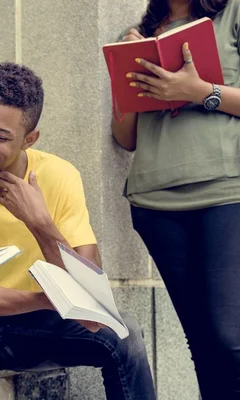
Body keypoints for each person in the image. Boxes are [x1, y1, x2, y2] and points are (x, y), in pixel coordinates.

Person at [0, 62, 156, 400]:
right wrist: (46, 300)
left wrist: (40, 223)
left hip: (41, 325)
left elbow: (90, 290)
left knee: (126, 332)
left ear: (30, 139)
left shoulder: (60, 176)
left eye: (0, 137)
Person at [111, 0, 240, 397]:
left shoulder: (232, 13)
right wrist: (128, 76)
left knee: (230, 336)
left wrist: (199, 91)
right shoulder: (135, 37)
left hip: (227, 193)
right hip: (156, 202)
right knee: (202, 346)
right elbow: (126, 137)